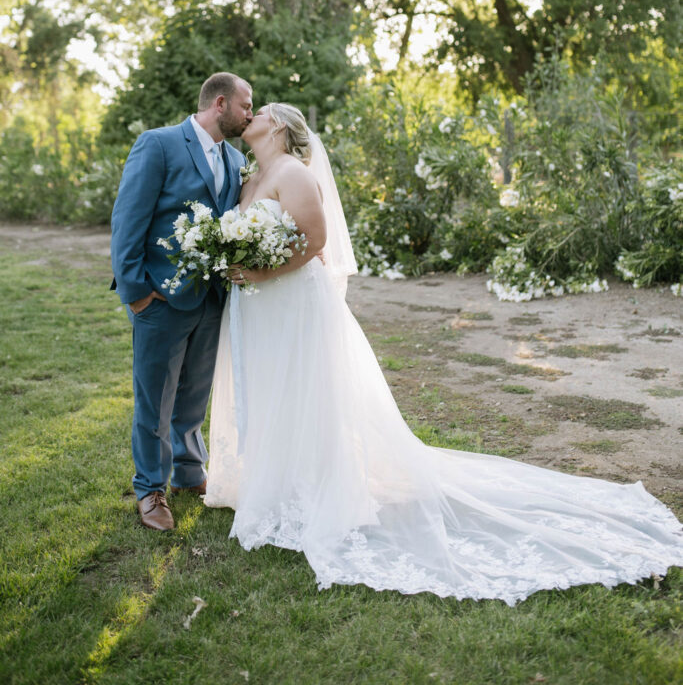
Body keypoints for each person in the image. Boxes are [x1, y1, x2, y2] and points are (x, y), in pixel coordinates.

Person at [204, 102, 683, 603]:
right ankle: (275, 487)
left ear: (277, 126)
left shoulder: (293, 174)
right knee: (271, 390)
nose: (250, 116)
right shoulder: (248, 178)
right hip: (259, 308)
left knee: (303, 390)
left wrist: (260, 272)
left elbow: (316, 239)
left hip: (293, 302)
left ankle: (316, 491)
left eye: (259, 112)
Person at [111, 72, 253, 531]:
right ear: (219, 103)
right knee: (155, 399)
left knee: (194, 395)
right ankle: (150, 489)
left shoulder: (234, 159)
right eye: (246, 105)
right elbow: (128, 219)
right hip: (160, 300)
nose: (250, 114)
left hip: (210, 298)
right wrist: (136, 294)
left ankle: (189, 474)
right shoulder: (159, 144)